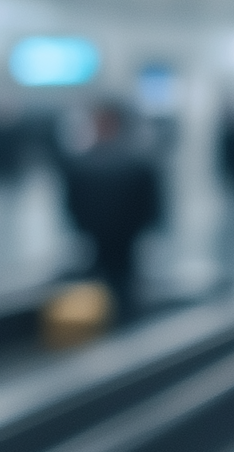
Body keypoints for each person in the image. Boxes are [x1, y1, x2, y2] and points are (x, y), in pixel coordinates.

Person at [59, 103, 162, 310]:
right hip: (120, 233)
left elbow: (72, 203)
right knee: (122, 275)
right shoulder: (137, 161)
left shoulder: (82, 161)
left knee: (110, 273)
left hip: (107, 233)